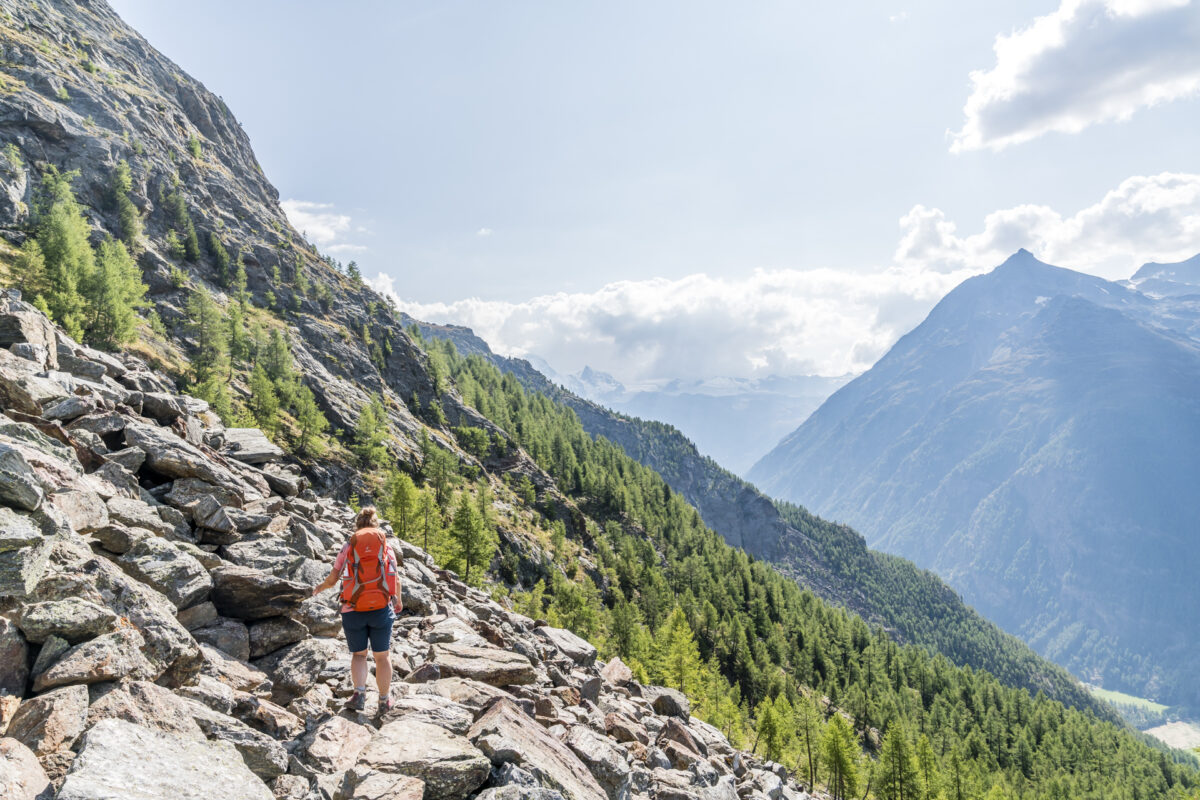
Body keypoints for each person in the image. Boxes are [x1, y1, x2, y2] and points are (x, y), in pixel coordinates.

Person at [311, 506, 401, 712]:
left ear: (357, 526)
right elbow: (395, 577)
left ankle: (359, 694)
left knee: (359, 655)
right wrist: (398, 600)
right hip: (381, 608)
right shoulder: (386, 548)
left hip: (353, 609)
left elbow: (333, 579)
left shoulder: (348, 547)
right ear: (375, 526)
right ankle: (384, 700)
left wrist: (320, 587)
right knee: (382, 656)